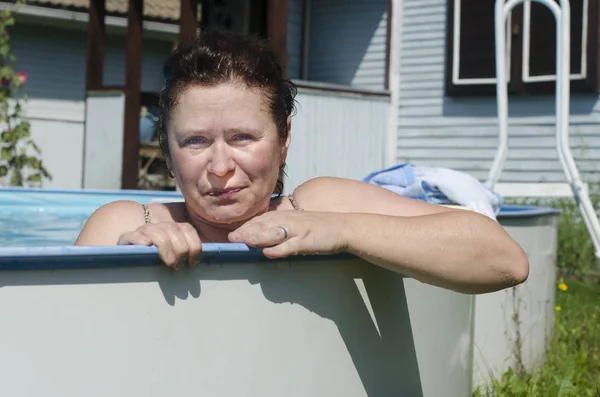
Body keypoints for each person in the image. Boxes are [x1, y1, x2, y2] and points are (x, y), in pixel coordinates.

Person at [75, 30, 529, 295]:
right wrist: (122, 267)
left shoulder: (318, 206)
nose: (219, 166)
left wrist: (343, 230)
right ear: (169, 153)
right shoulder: (126, 225)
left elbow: (504, 259)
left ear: (284, 138)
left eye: (242, 138)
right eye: (195, 141)